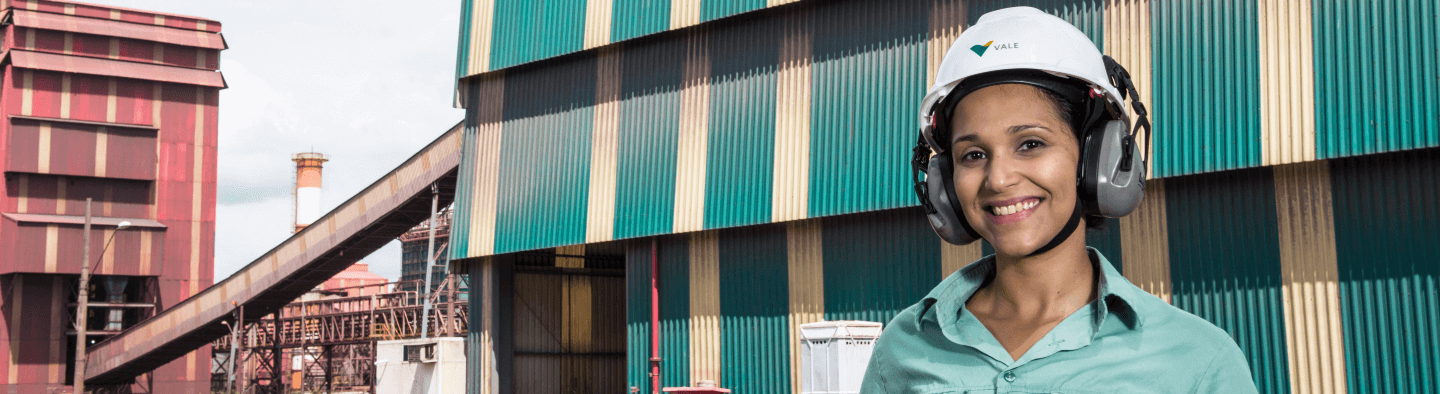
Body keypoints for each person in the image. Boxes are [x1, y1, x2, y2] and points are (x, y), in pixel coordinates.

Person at [860, 7, 1259, 393]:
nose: (998, 179)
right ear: (944, 183)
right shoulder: (902, 351)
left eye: (1030, 144)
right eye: (973, 155)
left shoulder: (1198, 361)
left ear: (1096, 158)